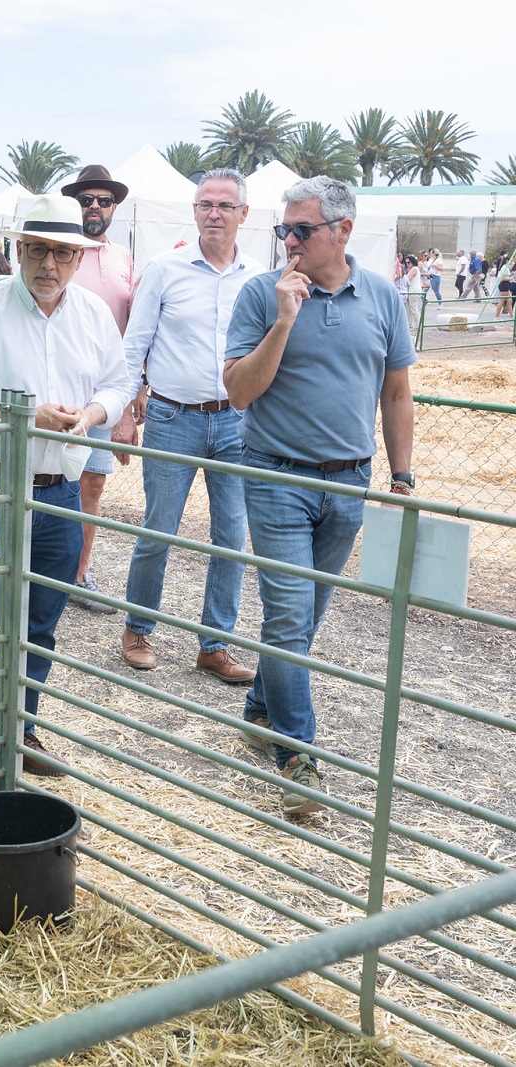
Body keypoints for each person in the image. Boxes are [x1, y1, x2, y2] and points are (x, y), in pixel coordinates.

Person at [222, 175, 416, 815]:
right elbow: (240, 392)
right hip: (276, 473)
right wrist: (283, 320)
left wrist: (403, 475)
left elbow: (396, 393)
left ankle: (259, 707)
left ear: (343, 231)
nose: (290, 241)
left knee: (307, 613)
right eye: (284, 229)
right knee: (287, 613)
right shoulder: (261, 294)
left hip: (350, 479)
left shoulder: (383, 297)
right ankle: (298, 756)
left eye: (302, 230)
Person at [0, 195, 128, 776]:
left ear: (79, 256)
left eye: (63, 252)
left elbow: (119, 383)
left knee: (43, 613)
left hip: (61, 486)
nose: (50, 263)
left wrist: (93, 414)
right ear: (19, 250)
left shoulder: (93, 315)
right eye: (39, 249)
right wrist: (19, 416)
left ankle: (20, 729)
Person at [117, 168, 262, 685]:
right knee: (159, 528)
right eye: (205, 205)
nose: (214, 213)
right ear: (194, 211)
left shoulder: (258, 277)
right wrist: (120, 413)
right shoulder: (165, 268)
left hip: (237, 421)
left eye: (225, 205)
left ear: (244, 214)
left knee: (231, 537)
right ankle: (138, 628)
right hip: (172, 415)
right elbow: (135, 344)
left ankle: (214, 645)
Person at [60, 163, 137, 615]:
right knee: (45, 482)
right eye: (86, 199)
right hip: (59, 390)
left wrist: (128, 401)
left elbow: (134, 331)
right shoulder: (60, 251)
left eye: (103, 200)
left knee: (92, 484)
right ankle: (41, 569)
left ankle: (78, 575)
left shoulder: (124, 260)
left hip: (104, 397)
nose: (94, 207)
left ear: (114, 208)